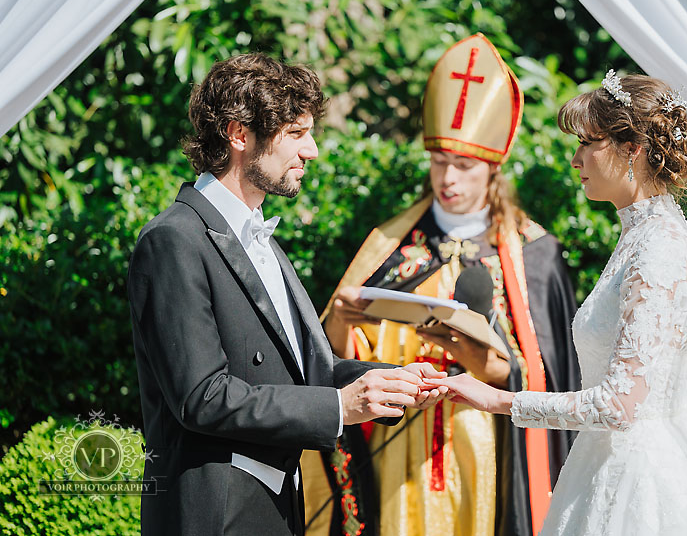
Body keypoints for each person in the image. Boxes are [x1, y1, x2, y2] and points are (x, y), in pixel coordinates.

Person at [429, 71, 687, 535]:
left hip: (643, 483)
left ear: (633, 149)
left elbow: (620, 405)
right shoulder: (641, 237)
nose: (576, 159)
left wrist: (500, 400)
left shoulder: (659, 248)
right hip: (607, 461)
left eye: (589, 143)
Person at [127, 53, 447, 536]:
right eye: (296, 133)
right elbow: (202, 397)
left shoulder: (260, 239)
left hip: (275, 507)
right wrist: (339, 408)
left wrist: (388, 381)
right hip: (215, 515)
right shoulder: (173, 239)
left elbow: (304, 371)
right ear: (238, 134)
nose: (311, 150)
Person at [300, 34, 580, 536]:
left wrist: (475, 357)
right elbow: (332, 362)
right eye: (438, 161)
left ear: (493, 167)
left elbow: (547, 381)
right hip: (395, 451)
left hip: (485, 449)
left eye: (464, 165)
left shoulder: (534, 255)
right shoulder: (389, 242)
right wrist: (341, 321)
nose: (448, 178)